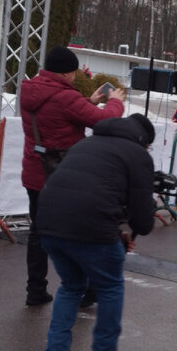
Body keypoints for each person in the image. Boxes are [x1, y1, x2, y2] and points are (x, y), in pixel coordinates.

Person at [35, 113, 156, 351]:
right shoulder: (137, 155)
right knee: (111, 286)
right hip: (91, 229)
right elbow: (143, 221)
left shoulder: (85, 143)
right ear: (144, 141)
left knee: (71, 286)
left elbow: (90, 192)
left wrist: (116, 230)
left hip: (48, 223)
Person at [19, 46, 126, 306]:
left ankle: (35, 290)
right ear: (67, 73)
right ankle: (88, 290)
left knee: (38, 232)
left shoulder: (29, 90)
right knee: (82, 231)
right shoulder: (66, 97)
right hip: (66, 179)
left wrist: (87, 102)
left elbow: (57, 117)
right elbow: (105, 121)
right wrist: (116, 102)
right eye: (74, 72)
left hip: (35, 172)